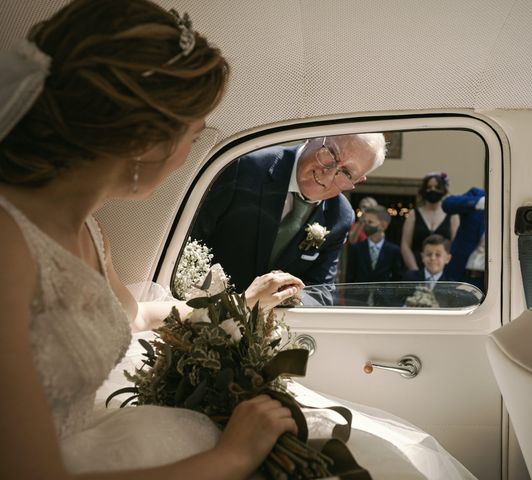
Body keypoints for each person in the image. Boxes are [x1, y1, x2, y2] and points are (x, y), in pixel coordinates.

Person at [0, 1, 305, 478]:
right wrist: (232, 456)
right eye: (194, 133)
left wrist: (237, 308)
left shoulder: (88, 231)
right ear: (146, 141)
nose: (190, 150)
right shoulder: (8, 247)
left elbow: (135, 314)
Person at [191, 133, 387, 292]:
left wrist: (287, 297)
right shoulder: (245, 166)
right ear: (313, 136)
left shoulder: (341, 216)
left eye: (346, 173)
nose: (328, 174)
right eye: (331, 154)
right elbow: (191, 241)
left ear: (358, 180)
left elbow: (320, 290)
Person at [400, 171, 459, 271]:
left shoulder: (452, 215)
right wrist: (414, 270)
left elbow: (456, 245)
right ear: (424, 190)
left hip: (443, 270)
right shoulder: (413, 214)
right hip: (417, 268)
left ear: (443, 190)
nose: (432, 190)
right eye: (429, 187)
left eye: (437, 187)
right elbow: (405, 245)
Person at [402, 235, 481, 309]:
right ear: (422, 257)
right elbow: (398, 303)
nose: (433, 258)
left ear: (447, 258)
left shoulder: (452, 286)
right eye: (429, 254)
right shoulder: (409, 278)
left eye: (438, 255)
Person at [346, 205, 404, 284]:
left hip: (384, 295)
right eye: (365, 222)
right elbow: (350, 278)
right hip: (360, 295)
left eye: (370, 222)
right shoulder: (357, 249)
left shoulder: (393, 250)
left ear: (383, 225)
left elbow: (397, 279)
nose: (366, 225)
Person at [441, 187, 486, 289]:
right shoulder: (477, 194)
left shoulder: (510, 203)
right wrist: (479, 202)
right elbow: (447, 204)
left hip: (491, 280)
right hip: (461, 274)